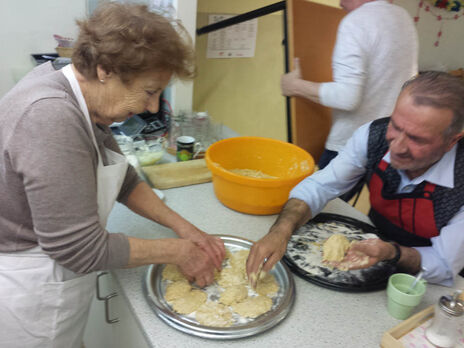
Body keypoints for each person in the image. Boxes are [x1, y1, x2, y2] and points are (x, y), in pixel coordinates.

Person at [0, 4, 224, 347]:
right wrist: (180, 252)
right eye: (150, 91)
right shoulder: (50, 117)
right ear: (105, 70)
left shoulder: (79, 92)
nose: (152, 107)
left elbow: (124, 180)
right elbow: (78, 248)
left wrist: (186, 229)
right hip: (32, 290)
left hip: (52, 275)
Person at [247, 71, 464, 288]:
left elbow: (444, 265)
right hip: (375, 246)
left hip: (429, 284)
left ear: (452, 141)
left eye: (417, 139)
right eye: (396, 126)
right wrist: (281, 231)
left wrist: (392, 252)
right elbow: (320, 186)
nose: (396, 147)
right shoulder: (373, 136)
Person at [281, 0, 418, 169]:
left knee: (315, 195)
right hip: (389, 143)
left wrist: (295, 86)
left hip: (351, 147)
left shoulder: (356, 21)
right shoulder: (403, 18)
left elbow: (347, 98)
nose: (340, 3)